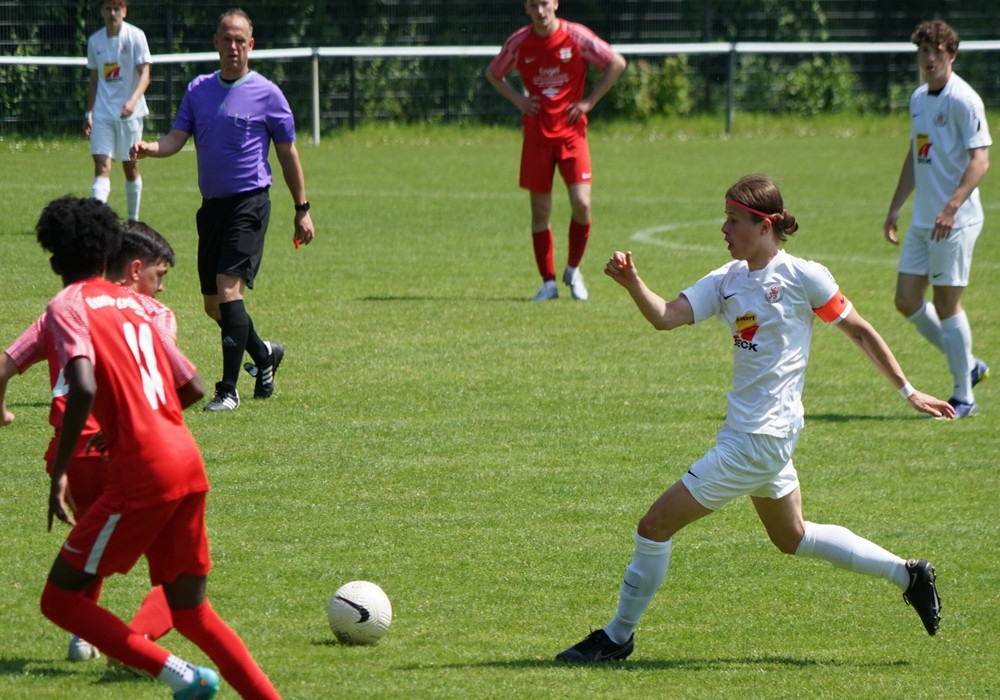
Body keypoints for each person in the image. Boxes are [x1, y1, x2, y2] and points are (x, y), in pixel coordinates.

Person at [556, 174, 953, 664]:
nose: (724, 229)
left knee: (654, 526)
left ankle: (617, 637)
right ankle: (908, 574)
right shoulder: (727, 280)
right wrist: (633, 282)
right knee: (793, 537)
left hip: (756, 440)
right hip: (762, 438)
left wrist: (909, 391)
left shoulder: (804, 277)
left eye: (734, 220)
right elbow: (665, 316)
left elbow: (859, 331)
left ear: (765, 226)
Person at [35, 195, 281, 699]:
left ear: (55, 262)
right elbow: (191, 383)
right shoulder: (138, 304)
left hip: (143, 471)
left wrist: (61, 471)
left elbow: (82, 385)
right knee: (192, 612)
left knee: (59, 601)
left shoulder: (68, 305)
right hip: (186, 459)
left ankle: (183, 678)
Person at [0, 220, 191, 663]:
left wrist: (4, 411)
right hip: (129, 450)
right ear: (134, 268)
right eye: (160, 275)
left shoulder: (62, 309)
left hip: (70, 456)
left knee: (91, 544)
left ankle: (83, 635)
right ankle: (139, 644)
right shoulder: (153, 315)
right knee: (181, 566)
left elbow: (5, 366)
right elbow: (174, 380)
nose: (162, 288)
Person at [131, 8, 315, 411]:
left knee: (230, 289)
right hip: (212, 208)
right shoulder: (198, 90)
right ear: (216, 43)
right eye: (227, 39)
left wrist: (302, 208)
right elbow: (176, 138)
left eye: (240, 41)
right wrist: (151, 148)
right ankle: (264, 355)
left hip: (250, 202)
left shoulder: (268, 94)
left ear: (251, 45)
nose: (233, 47)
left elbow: (288, 154)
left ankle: (228, 390)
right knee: (214, 305)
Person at [883, 19, 991, 419]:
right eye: (923, 51)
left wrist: (951, 207)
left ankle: (964, 396)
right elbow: (918, 154)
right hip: (923, 219)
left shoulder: (964, 100)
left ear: (951, 56)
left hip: (954, 221)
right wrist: (896, 206)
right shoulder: (917, 99)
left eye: (937, 52)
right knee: (906, 300)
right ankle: (969, 364)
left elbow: (981, 159)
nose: (929, 58)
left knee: (947, 305)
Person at [486, 0, 626, 302]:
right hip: (536, 137)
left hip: (572, 134)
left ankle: (573, 270)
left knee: (582, 204)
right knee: (540, 211)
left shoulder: (576, 36)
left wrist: (589, 102)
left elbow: (616, 62)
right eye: (533, 5)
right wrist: (520, 101)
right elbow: (493, 73)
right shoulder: (519, 42)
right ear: (526, 8)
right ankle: (548, 283)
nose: (540, 10)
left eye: (545, 3)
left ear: (555, 4)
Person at [84, 0, 151, 221]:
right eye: (108, 8)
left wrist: (132, 101)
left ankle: (133, 220)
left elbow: (145, 74)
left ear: (124, 11)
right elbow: (94, 79)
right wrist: (89, 113)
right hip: (103, 114)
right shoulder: (95, 41)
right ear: (101, 11)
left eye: (117, 8)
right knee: (102, 166)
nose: (112, 13)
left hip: (130, 115)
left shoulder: (136, 36)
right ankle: (97, 221)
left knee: (130, 167)